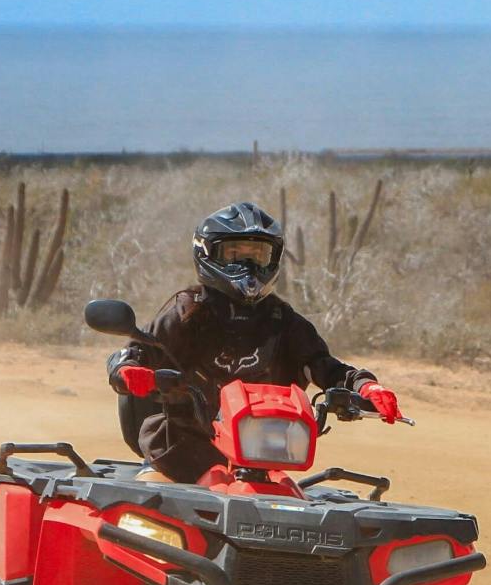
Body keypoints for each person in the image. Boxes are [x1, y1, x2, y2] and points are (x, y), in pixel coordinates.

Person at [106, 202, 403, 483]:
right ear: (207, 253)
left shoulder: (280, 319)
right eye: (235, 254)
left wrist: (366, 386)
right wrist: (130, 371)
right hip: (180, 453)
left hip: (259, 459)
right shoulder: (186, 312)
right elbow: (136, 352)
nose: (247, 265)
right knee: (147, 512)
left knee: (292, 510)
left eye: (257, 255)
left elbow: (323, 365)